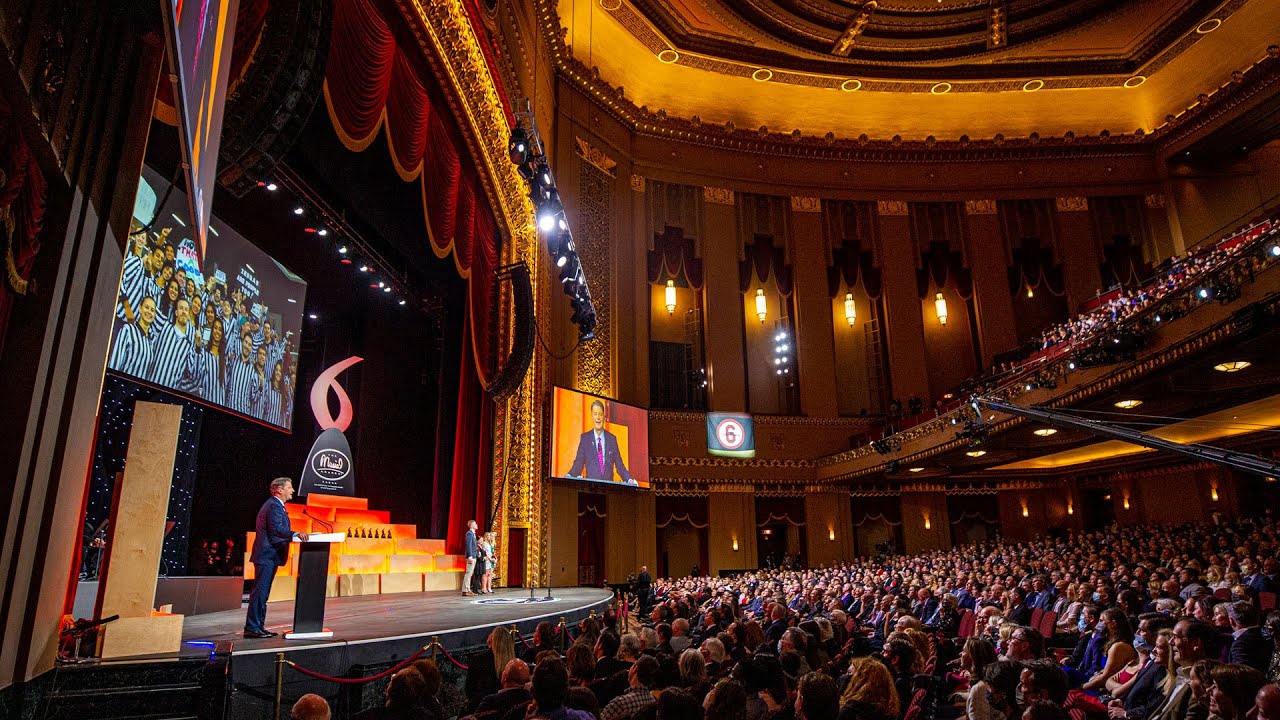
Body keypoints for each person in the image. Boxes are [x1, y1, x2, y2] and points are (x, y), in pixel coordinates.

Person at [244, 477, 307, 638]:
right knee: (260, 593)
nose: (292, 490)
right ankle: (252, 627)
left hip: (269, 556)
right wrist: (295, 534)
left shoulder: (277, 506)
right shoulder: (273, 506)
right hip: (266, 556)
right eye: (289, 487)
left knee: (263, 593)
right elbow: (277, 529)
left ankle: (258, 626)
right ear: (279, 490)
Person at [567, 399, 634, 484]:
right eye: (595, 414)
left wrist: (629, 479)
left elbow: (619, 465)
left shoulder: (612, 439)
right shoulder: (585, 439)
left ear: (604, 417)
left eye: (600, 414)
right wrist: (569, 475)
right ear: (592, 416)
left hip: (609, 490)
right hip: (590, 489)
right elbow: (578, 463)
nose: (598, 418)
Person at [108, 295, 158, 377]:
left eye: (152, 310)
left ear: (155, 314)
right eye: (146, 307)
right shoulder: (128, 330)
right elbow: (114, 364)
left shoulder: (151, 342)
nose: (149, 312)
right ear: (140, 308)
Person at [461, 519, 478, 596]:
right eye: (475, 524)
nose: (477, 525)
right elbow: (468, 545)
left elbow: (473, 546)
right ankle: (465, 590)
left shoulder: (473, 534)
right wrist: (470, 556)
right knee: (468, 573)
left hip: (474, 556)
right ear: (471, 525)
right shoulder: (469, 533)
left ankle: (468, 589)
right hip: (471, 557)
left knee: (470, 573)